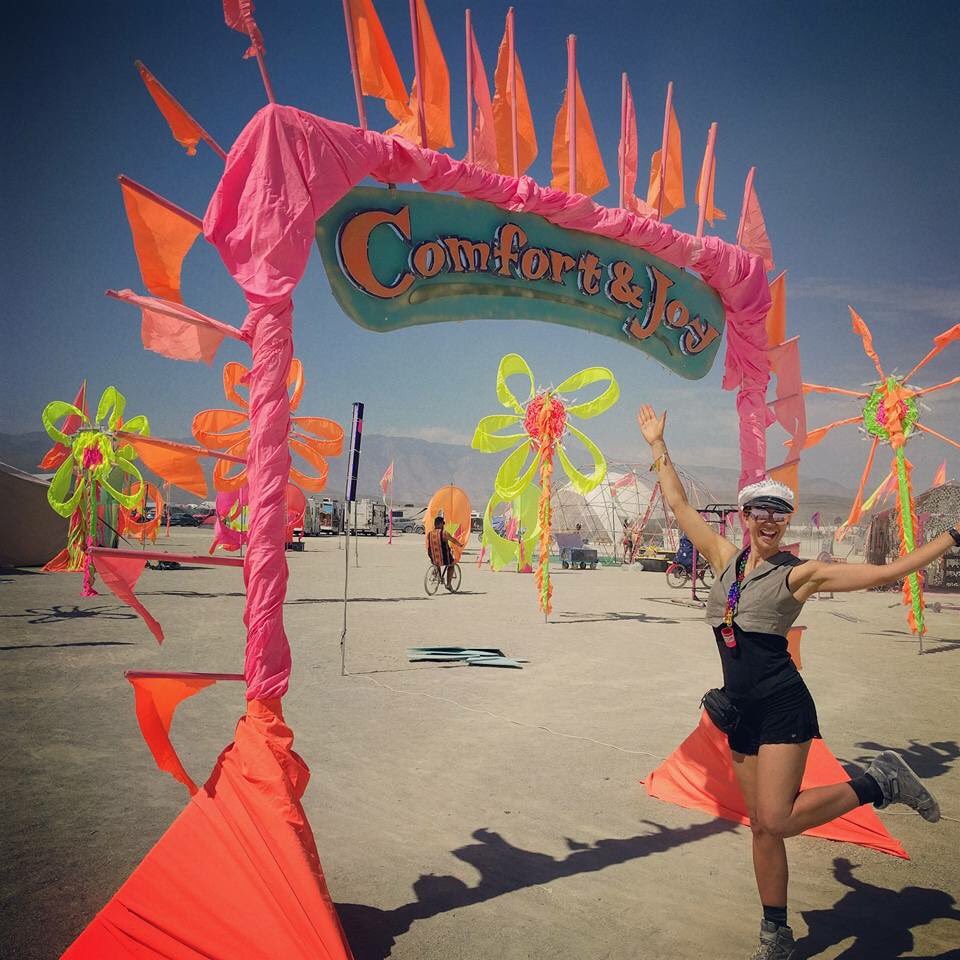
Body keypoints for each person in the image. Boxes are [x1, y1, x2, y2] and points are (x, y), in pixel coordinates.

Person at [637, 404, 956, 960]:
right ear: (744, 516)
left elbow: (884, 573)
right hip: (739, 711)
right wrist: (658, 445)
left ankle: (879, 783)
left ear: (785, 523)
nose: (768, 520)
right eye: (760, 510)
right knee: (761, 828)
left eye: (778, 513)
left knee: (778, 818)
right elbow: (677, 503)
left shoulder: (798, 575)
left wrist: (951, 537)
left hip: (782, 706)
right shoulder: (725, 559)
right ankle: (776, 934)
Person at [426, 515, 463, 590]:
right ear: (439, 524)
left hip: (433, 555)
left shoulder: (429, 534)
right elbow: (453, 540)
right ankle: (448, 584)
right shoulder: (444, 533)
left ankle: (438, 575)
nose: (443, 525)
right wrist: (460, 545)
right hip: (444, 556)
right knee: (451, 565)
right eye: (443, 523)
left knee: (437, 563)